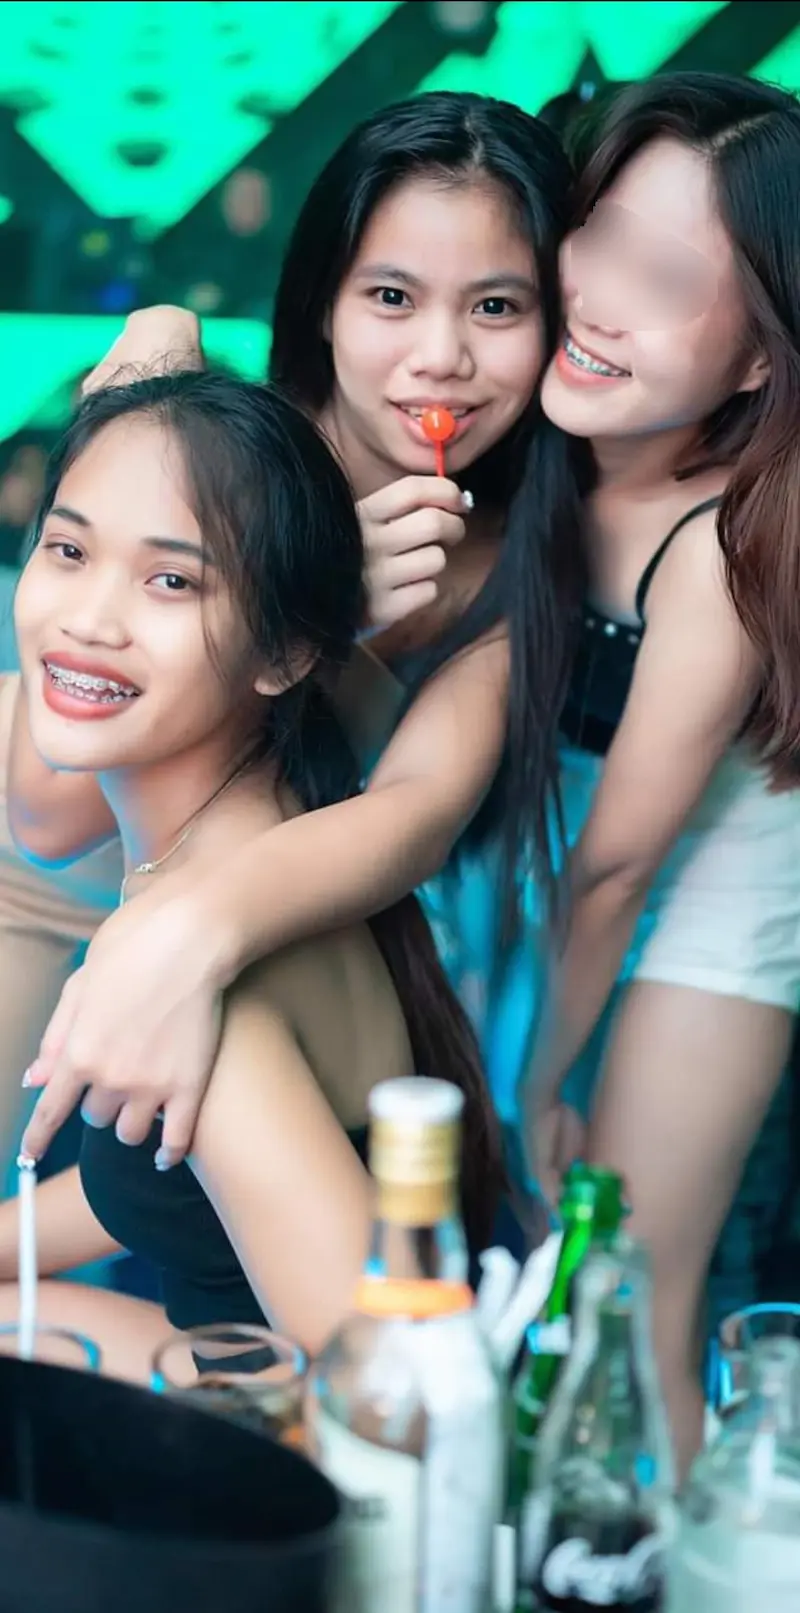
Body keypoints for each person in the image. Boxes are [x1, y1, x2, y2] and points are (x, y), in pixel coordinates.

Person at [11, 92, 583, 1171]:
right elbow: (48, 818)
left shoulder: (521, 566)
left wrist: (186, 933)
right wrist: (313, 598)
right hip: (55, 893)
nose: (440, 357)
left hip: (248, 945)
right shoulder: (214, 456)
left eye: (497, 307)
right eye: (390, 295)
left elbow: (415, 814)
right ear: (322, 301)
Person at [0, 369, 505, 1380]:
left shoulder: (194, 981)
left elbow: (385, 1385)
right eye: (69, 548)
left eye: (172, 580)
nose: (89, 618)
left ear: (282, 652)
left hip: (266, 1503)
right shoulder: (244, 861)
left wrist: (174, 1374)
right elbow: (164, 1185)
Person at [522, 72, 800, 1472]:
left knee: (631, 1280)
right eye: (603, 233)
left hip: (719, 889)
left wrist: (541, 1067)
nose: (604, 297)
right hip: (582, 855)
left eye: (671, 273)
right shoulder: (536, 426)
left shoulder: (726, 545)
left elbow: (627, 863)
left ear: (760, 358)